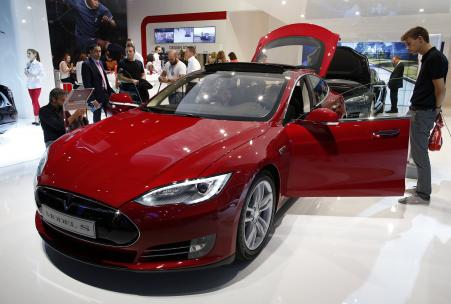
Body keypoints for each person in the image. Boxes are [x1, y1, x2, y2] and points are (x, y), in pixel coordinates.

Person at [398, 26, 448, 205]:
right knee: (418, 152)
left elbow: (440, 89)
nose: (408, 48)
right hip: (420, 110)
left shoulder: (435, 58)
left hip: (424, 112)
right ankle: (422, 186)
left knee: (420, 153)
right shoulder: (429, 58)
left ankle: (423, 194)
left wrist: (434, 110)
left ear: (420, 39)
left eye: (409, 44)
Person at [81, 44, 114, 123]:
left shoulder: (101, 63)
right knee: (97, 118)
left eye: (100, 51)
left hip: (105, 95)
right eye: (96, 51)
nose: (99, 53)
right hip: (94, 98)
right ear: (91, 51)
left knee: (110, 116)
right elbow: (87, 85)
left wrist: (110, 92)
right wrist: (92, 100)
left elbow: (104, 79)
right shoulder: (86, 64)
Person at [24, 49, 44, 125]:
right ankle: (37, 119)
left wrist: (34, 75)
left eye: (29, 53)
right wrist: (27, 73)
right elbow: (27, 73)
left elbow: (42, 74)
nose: (28, 55)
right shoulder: (28, 63)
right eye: (27, 53)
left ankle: (38, 119)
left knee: (34, 102)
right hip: (29, 85)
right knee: (34, 102)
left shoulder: (39, 64)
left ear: (34, 54)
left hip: (36, 85)